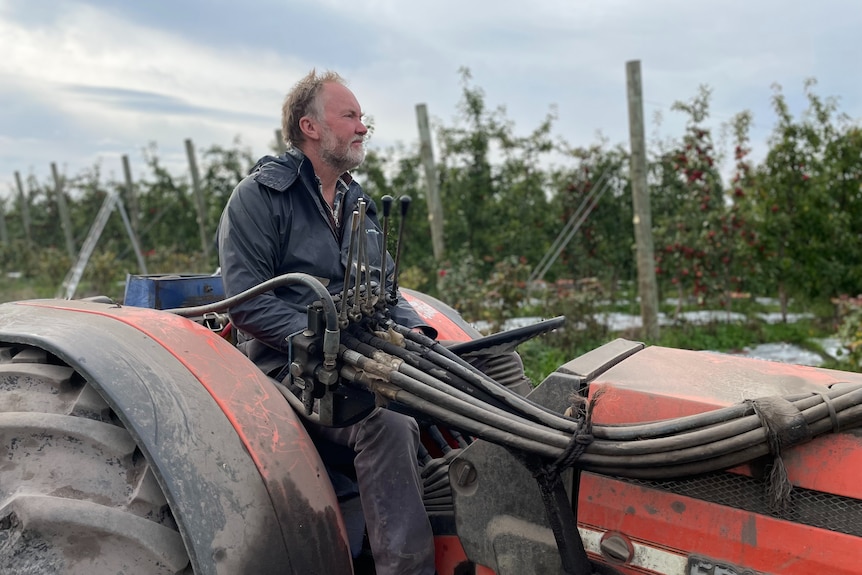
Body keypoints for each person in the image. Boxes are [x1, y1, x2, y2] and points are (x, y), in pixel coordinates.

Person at [217, 70, 436, 575]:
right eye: (350, 116)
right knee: (386, 422)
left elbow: (385, 293)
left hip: (357, 357)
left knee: (476, 370)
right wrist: (328, 341)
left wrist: (422, 341)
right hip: (288, 369)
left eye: (364, 118)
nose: (363, 127)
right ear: (310, 126)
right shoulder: (258, 198)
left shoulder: (357, 202)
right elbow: (248, 305)